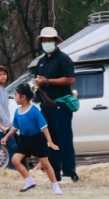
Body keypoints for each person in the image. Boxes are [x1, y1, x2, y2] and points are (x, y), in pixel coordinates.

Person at [33, 26, 78, 182]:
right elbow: (38, 80)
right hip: (46, 106)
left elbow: (70, 79)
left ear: (55, 41)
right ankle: (55, 175)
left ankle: (69, 173)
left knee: (64, 139)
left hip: (61, 105)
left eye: (49, 40)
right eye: (44, 40)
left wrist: (48, 81)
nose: (47, 42)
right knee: (49, 141)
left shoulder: (63, 58)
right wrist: (36, 85)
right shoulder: (41, 62)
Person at [2, 83, 63, 194]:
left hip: (37, 139)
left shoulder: (34, 111)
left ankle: (55, 186)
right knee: (15, 160)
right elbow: (15, 127)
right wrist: (6, 137)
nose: (14, 97)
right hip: (24, 140)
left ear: (23, 97)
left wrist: (50, 141)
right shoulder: (17, 112)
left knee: (45, 164)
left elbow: (44, 127)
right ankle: (29, 181)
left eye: (15, 95)